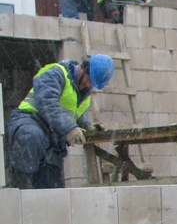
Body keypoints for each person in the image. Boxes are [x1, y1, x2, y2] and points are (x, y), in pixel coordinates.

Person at [7, 55, 115, 189]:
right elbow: (48, 103)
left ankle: (41, 204)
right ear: (83, 68)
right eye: (88, 80)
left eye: (92, 83)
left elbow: (72, 113)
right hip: (30, 119)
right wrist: (69, 128)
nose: (88, 85)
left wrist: (87, 125)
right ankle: (18, 192)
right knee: (32, 137)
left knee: (50, 183)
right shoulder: (56, 73)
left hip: (53, 133)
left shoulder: (84, 92)